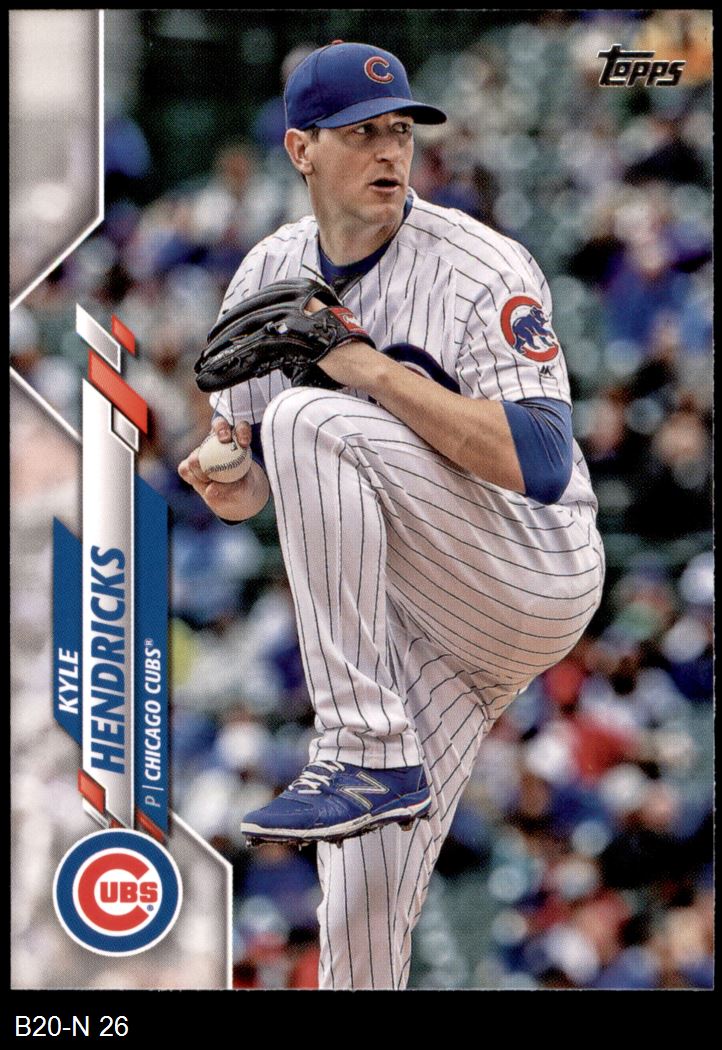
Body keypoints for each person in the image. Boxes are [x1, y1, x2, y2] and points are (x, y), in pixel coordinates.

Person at [178, 41, 605, 990]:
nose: (389, 151)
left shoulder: (478, 264)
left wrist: (367, 368)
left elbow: (542, 461)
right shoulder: (269, 270)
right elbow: (254, 479)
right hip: (426, 628)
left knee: (310, 414)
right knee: (360, 907)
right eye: (361, 132)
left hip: (530, 564)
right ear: (301, 149)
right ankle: (370, 760)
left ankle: (361, 748)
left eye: (401, 131)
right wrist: (229, 479)